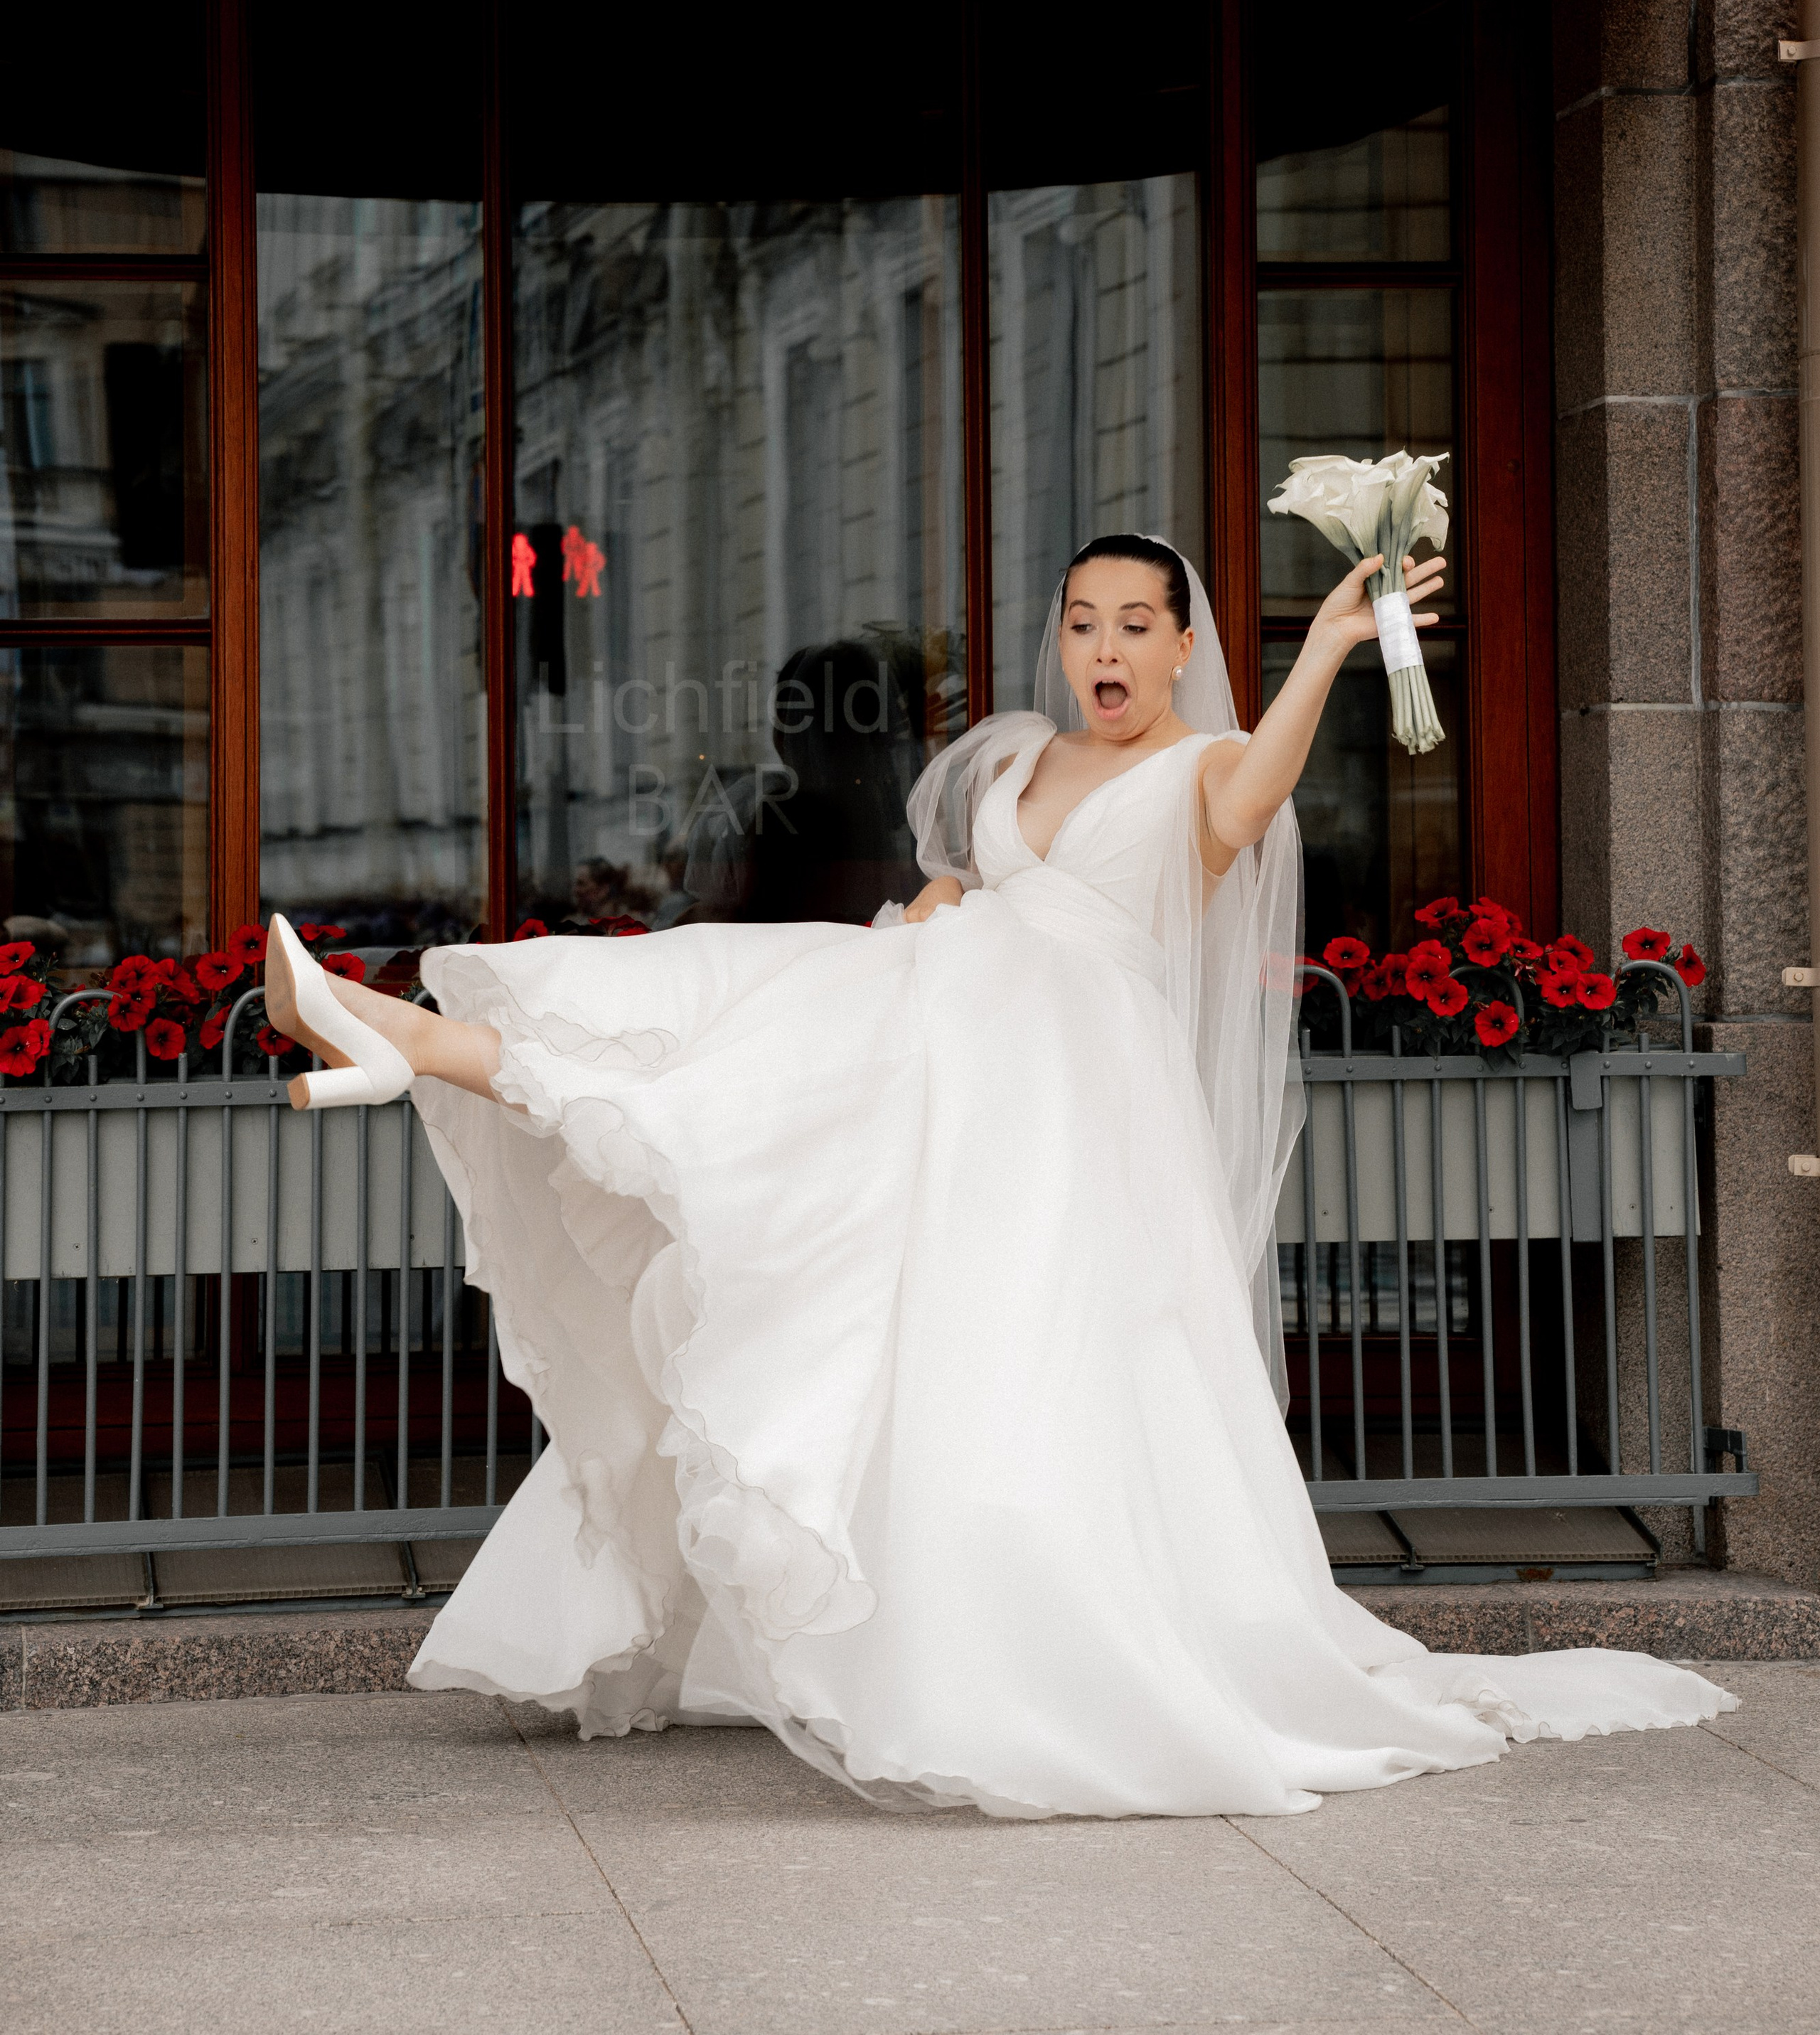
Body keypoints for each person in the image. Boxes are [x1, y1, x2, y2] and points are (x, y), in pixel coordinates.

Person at [262, 533, 1733, 1817]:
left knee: (974, 1328)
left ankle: (406, 1041)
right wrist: (899, 950)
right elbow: (947, 900)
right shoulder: (1014, 759)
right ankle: (413, 1033)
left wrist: (1332, 648)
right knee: (726, 1015)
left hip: (1070, 1080)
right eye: (1080, 619)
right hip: (954, 1031)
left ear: (1178, 646)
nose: (1101, 646)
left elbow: (1253, 795)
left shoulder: (1206, 771)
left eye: (1133, 624)